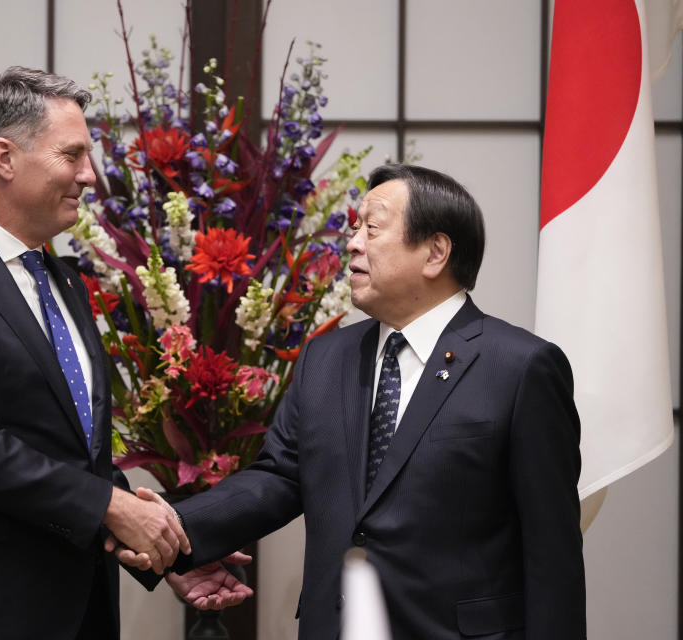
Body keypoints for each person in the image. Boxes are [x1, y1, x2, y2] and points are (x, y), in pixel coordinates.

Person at [132, 164, 586, 638]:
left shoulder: (520, 367)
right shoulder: (325, 358)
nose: (351, 243)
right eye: (354, 227)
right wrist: (169, 525)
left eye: (371, 228)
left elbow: (552, 557)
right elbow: (278, 478)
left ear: (435, 252)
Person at [0, 67, 198, 640]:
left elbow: (74, 455)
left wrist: (163, 543)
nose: (89, 176)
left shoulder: (64, 280)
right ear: (4, 157)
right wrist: (111, 508)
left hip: (81, 609)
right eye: (71, 155)